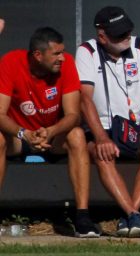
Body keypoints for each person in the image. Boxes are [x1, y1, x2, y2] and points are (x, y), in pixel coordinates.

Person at [76, 6, 140, 238]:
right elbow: (84, 98)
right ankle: (133, 214)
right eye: (119, 35)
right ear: (102, 36)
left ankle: (131, 215)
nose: (126, 37)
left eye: (128, 31)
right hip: (102, 127)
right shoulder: (87, 51)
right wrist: (100, 137)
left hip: (137, 126)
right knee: (102, 153)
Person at [0, 27, 100, 238]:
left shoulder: (67, 65)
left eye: (62, 52)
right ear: (38, 55)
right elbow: (0, 114)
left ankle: (82, 216)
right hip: (19, 137)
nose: (62, 58)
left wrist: (51, 131)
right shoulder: (11, 62)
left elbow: (73, 115)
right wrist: (23, 133)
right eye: (56, 54)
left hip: (51, 137)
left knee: (77, 135)